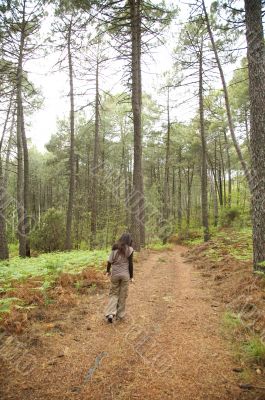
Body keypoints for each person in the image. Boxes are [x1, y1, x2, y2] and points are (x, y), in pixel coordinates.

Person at [105, 233, 134, 323]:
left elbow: (109, 261)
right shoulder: (130, 249)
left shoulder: (114, 248)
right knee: (123, 295)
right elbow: (131, 264)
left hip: (115, 275)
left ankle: (110, 313)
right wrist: (132, 276)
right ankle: (120, 315)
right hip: (125, 275)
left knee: (113, 293)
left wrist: (107, 271)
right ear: (129, 240)